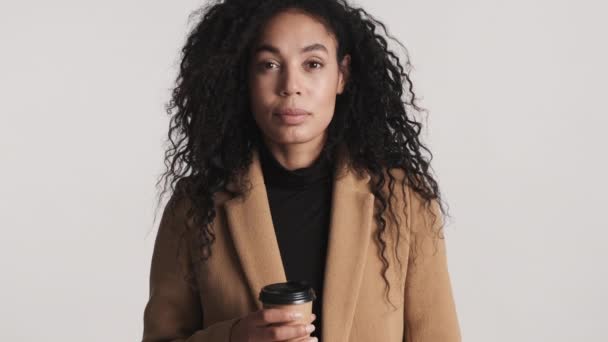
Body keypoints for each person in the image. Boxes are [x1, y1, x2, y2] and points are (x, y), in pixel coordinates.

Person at [142, 0, 461, 341]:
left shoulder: (404, 200)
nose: (291, 85)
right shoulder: (196, 204)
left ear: (342, 75)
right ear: (245, 78)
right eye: (269, 64)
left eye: (312, 63)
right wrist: (234, 337)